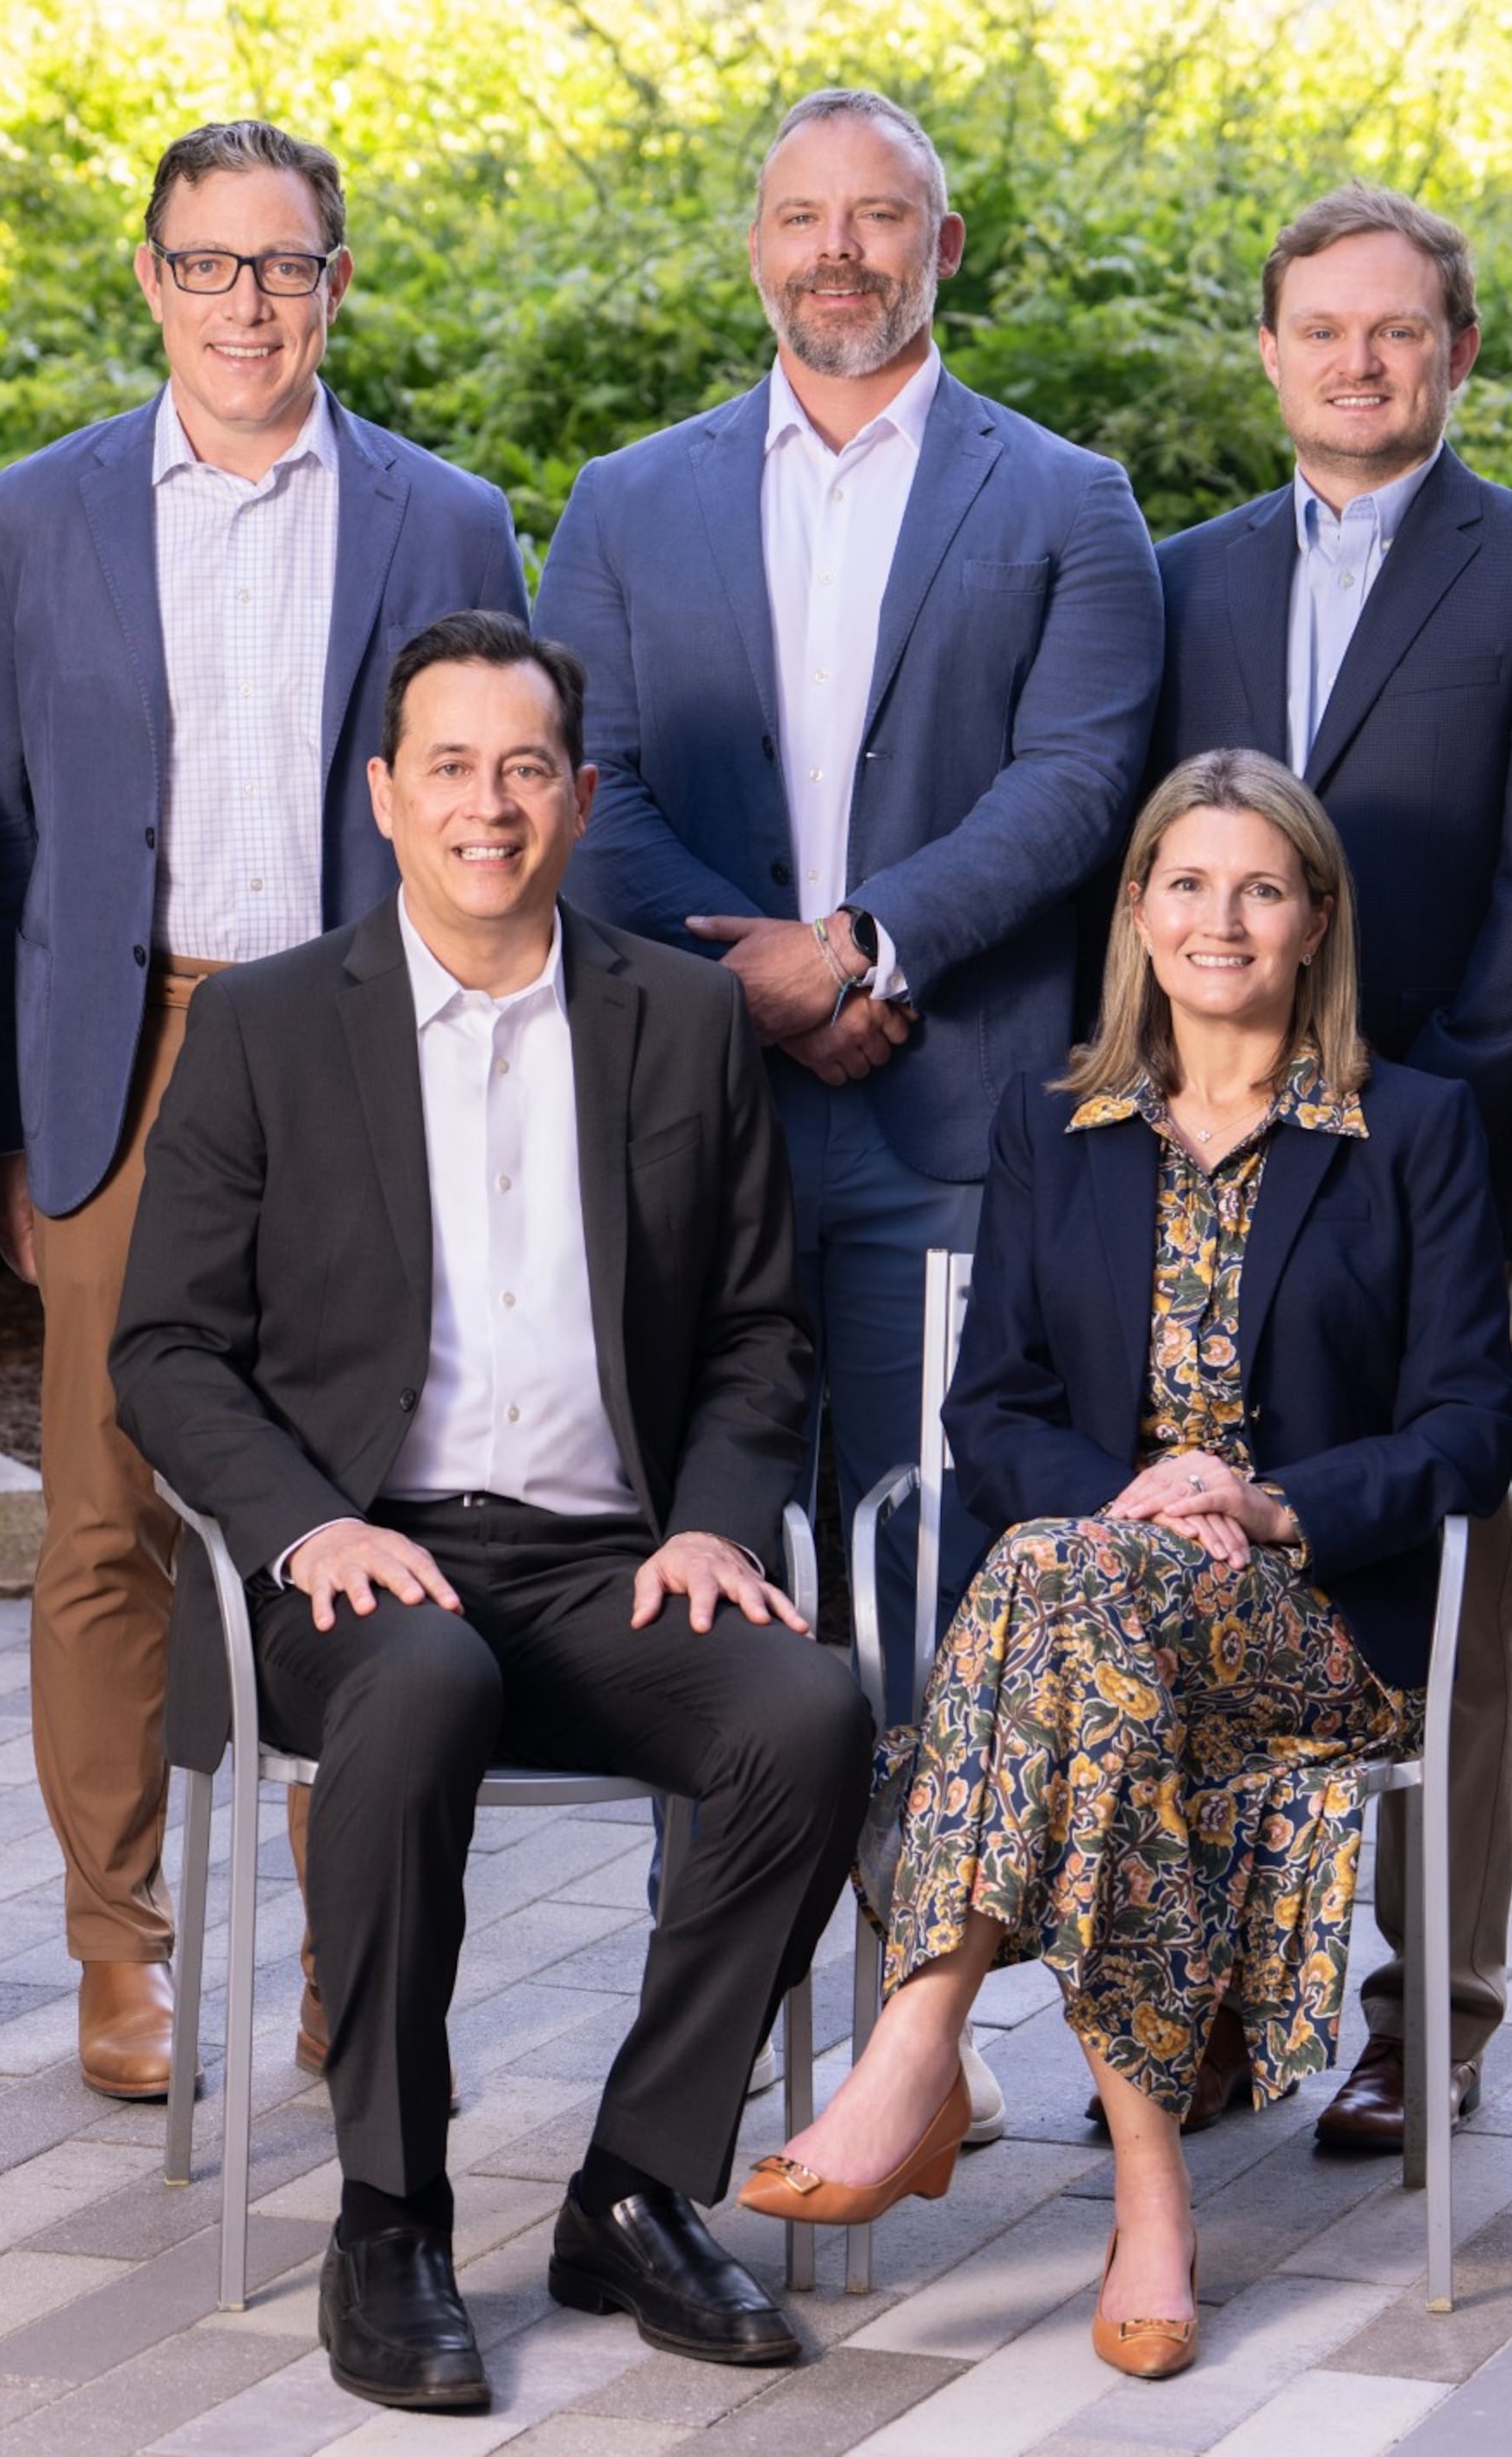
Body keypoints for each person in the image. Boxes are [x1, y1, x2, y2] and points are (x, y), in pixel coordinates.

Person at [113, 613, 873, 2412]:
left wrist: (713, 1521)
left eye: (525, 767)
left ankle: (633, 2183)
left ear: (581, 797)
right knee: (425, 1679)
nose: (488, 803)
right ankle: (390, 2213)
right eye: (448, 766)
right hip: (362, 1570)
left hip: (616, 1566)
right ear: (382, 796)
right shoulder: (268, 1027)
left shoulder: (679, 1019)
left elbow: (766, 1326)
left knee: (812, 1712)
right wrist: (308, 1525)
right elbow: (163, 1344)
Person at [742, 750, 1512, 2377]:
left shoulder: (1419, 1127)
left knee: (1047, 1591)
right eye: (1186, 883)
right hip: (1099, 1609)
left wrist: (1265, 1505)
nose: (1219, 919)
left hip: (1316, 1633)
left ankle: (922, 2033)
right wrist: (1137, 1503)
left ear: (1316, 919)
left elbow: (1470, 1425)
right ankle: (1149, 2197)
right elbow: (996, 1406)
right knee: (1085, 1624)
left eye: (1259, 887)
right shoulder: (1060, 1128)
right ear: (1137, 912)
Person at [0, 120, 528, 2102]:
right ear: (151, 280)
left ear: (336, 283)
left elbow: (491, 811)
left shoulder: (448, 519)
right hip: (128, 1057)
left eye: (283, 266)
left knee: (356, 1506)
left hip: (356, 1056)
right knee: (105, 1514)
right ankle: (122, 1957)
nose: (247, 304)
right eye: (209, 264)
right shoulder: (39, 518)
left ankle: (337, 1964)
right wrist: (16, 1127)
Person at [534, 84, 1165, 1719]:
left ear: (939, 247)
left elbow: (1080, 783)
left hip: (951, 1119)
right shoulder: (625, 500)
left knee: (933, 1568)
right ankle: (716, 1966)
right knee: (698, 1552)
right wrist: (748, 989)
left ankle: (914, 1965)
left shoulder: (1067, 499)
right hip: (696, 1104)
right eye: (805, 217)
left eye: (878, 217)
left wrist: (857, 949)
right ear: (757, 247)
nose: (840, 251)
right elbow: (584, 783)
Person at [1148, 186, 1512, 2152]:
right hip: (1196, 1147)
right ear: (1268, 352)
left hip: (1432, 1148)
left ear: (1455, 353)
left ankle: (1430, 2008)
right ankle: (1193, 1986)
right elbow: (1158, 864)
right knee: (1197, 1526)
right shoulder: (1175, 575)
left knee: (1443, 1553)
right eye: (1323, 330)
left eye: (1399, 331)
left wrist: (1391, 1129)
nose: (1359, 362)